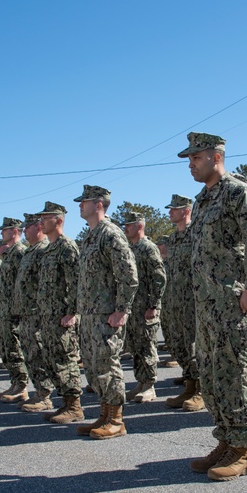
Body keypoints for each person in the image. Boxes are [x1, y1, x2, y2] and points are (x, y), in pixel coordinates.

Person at [185, 132, 247, 480]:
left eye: (196, 158)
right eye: (190, 159)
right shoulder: (202, 200)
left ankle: (240, 449)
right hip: (208, 307)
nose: (190, 164)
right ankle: (224, 441)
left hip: (232, 304)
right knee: (213, 377)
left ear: (215, 157)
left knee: (235, 376)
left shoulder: (237, 192)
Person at [74, 184, 139, 439]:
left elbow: (129, 275)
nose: (80, 205)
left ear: (99, 204)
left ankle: (116, 419)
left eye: (85, 201)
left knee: (107, 364)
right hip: (90, 313)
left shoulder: (110, 234)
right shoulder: (91, 235)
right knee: (92, 366)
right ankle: (103, 414)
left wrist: (122, 309)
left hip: (106, 314)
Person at [34, 202, 85, 424]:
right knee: (53, 360)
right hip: (48, 315)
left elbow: (76, 283)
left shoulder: (67, 247)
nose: (41, 222)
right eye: (41, 218)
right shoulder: (49, 250)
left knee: (66, 359)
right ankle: (65, 402)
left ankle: (75, 406)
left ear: (59, 220)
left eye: (46, 218)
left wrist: (72, 312)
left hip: (63, 317)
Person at [163, 194, 204, 411]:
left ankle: (201, 390)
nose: (170, 212)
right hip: (175, 300)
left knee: (195, 345)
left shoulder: (197, 233)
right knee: (179, 344)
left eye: (174, 209)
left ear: (186, 211)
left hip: (194, 300)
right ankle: (189, 385)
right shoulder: (173, 239)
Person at [122, 211, 167, 403]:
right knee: (136, 347)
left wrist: (154, 305)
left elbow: (159, 277)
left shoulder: (148, 248)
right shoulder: (131, 248)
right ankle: (141, 382)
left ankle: (149, 386)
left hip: (146, 308)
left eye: (129, 225)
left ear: (139, 226)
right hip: (134, 308)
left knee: (147, 346)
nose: (125, 228)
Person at [14, 212, 56, 410]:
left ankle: (45, 395)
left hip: (38, 313)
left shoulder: (43, 250)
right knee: (30, 354)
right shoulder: (30, 251)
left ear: (38, 228)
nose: (24, 230)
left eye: (28, 227)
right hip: (27, 312)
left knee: (39, 353)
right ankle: (38, 391)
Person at [0, 217, 33, 403]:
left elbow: (23, 284)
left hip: (14, 311)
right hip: (5, 311)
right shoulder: (9, 254)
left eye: (5, 230)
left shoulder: (20, 252)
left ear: (15, 231)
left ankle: (21, 386)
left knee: (16, 349)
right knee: (8, 349)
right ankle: (15, 382)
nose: (2, 233)